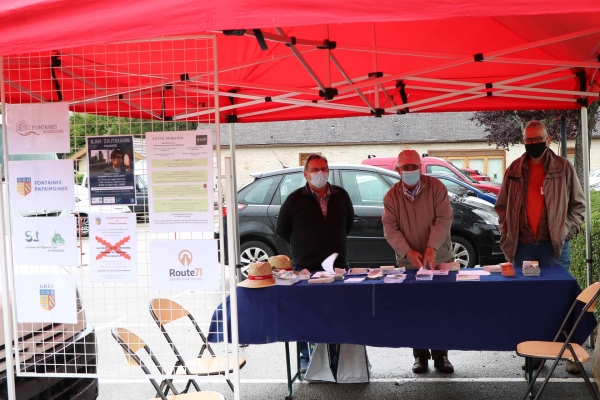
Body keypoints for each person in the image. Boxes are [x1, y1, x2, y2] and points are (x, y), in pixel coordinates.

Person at [494, 120, 585, 373]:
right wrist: (507, 229)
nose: (533, 144)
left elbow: (578, 206)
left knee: (561, 299)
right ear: (524, 141)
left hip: (552, 246)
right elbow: (501, 207)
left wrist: (566, 231)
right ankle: (535, 352)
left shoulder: (563, 168)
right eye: (528, 140)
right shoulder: (513, 168)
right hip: (522, 247)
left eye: (537, 139)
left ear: (548, 139)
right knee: (530, 301)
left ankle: (569, 351)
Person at [276, 153, 354, 372]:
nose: (320, 174)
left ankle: (335, 357)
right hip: (305, 270)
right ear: (306, 173)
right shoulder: (294, 200)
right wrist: (305, 248)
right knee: (305, 315)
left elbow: (348, 225)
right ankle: (305, 358)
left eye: (323, 169)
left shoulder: (341, 195)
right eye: (315, 170)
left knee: (336, 313)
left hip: (337, 269)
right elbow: (282, 230)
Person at [382, 149, 455, 374]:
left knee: (440, 308)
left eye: (414, 167)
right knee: (415, 310)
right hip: (408, 262)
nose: (411, 171)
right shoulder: (391, 196)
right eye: (406, 167)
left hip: (439, 258)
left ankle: (441, 356)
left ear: (420, 167)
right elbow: (390, 228)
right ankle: (420, 356)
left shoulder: (436, 187)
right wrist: (408, 252)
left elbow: (444, 218)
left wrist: (432, 248)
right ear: (398, 170)